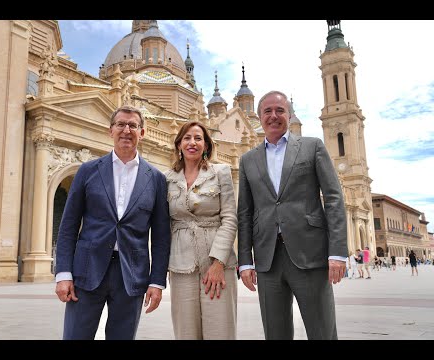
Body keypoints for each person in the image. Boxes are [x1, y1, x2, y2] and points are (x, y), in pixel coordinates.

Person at [237, 90, 348, 340]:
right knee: (275, 333)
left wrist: (338, 252)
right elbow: (244, 212)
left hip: (310, 255)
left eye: (280, 110)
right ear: (259, 115)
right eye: (268, 111)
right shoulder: (248, 159)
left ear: (289, 115)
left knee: (322, 330)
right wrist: (245, 260)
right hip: (267, 260)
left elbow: (333, 198)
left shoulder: (312, 147)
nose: (274, 116)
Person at [54, 105, 171, 340]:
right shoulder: (88, 171)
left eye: (133, 126)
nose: (126, 130)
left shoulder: (156, 179)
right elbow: (68, 226)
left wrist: (157, 281)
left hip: (132, 274)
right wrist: (63, 273)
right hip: (86, 271)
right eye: (121, 124)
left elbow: (161, 236)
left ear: (142, 132)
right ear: (111, 131)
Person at [165, 121, 238, 339]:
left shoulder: (221, 172)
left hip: (217, 262)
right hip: (181, 263)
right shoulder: (166, 178)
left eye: (198, 138)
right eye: (187, 138)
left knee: (220, 329)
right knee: (185, 331)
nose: (192, 143)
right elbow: (163, 224)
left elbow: (230, 218)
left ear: (206, 145)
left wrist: (218, 263)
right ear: (179, 144)